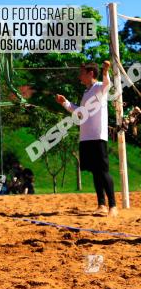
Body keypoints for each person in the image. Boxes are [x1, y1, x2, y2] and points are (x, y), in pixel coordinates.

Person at [54, 60, 116, 217]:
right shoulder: (87, 92)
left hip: (98, 136)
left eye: (82, 73)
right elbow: (80, 112)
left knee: (103, 171)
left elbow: (107, 84)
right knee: (95, 172)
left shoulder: (99, 87)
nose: (79, 76)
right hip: (86, 138)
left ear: (90, 74)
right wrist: (65, 103)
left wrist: (105, 71)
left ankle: (113, 206)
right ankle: (101, 204)